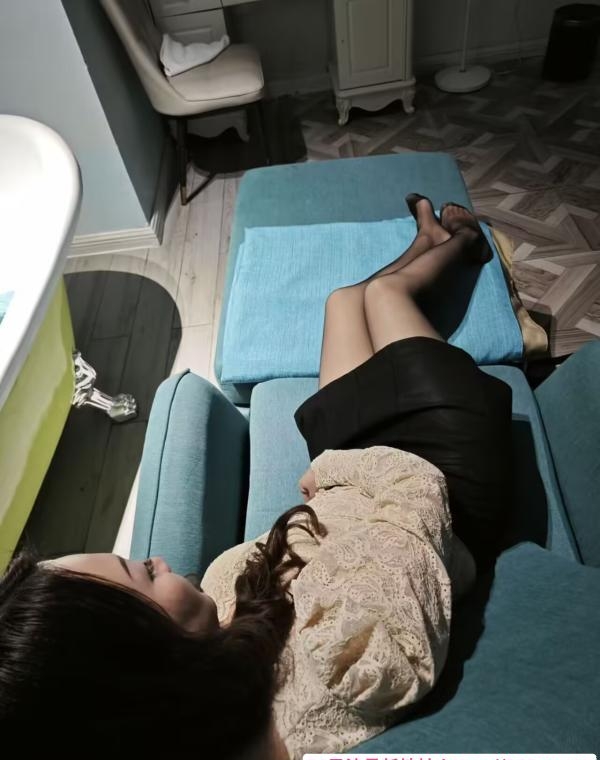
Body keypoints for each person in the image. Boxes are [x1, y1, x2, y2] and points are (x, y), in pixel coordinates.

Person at [0, 197, 512, 758]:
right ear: (141, 658)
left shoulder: (211, 636)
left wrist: (333, 477)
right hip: (437, 473)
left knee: (343, 301)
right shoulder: (343, 663)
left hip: (352, 475)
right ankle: (464, 244)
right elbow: (420, 495)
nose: (161, 561)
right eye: (144, 572)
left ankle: (425, 242)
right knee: (385, 296)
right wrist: (331, 469)